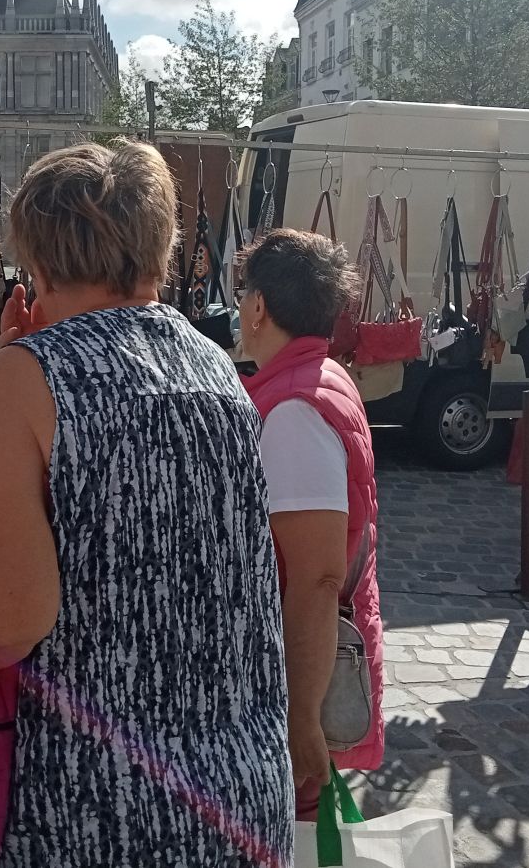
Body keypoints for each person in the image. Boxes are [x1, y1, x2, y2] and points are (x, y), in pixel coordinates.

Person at [0, 142, 292, 866]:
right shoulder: (217, 367)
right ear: (161, 244)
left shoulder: (20, 383)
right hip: (245, 798)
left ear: (33, 256)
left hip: (94, 809)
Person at [236, 228, 385, 816]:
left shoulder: (295, 410)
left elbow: (316, 578)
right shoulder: (317, 377)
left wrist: (301, 723)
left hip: (300, 679)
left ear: (257, 307)